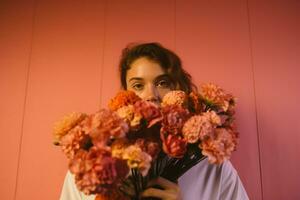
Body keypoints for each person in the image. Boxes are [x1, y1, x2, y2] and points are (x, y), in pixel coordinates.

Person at [60, 42, 249, 200]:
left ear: (180, 89)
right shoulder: (90, 165)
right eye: (138, 85)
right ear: (124, 94)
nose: (151, 95)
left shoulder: (212, 166)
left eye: (163, 83)